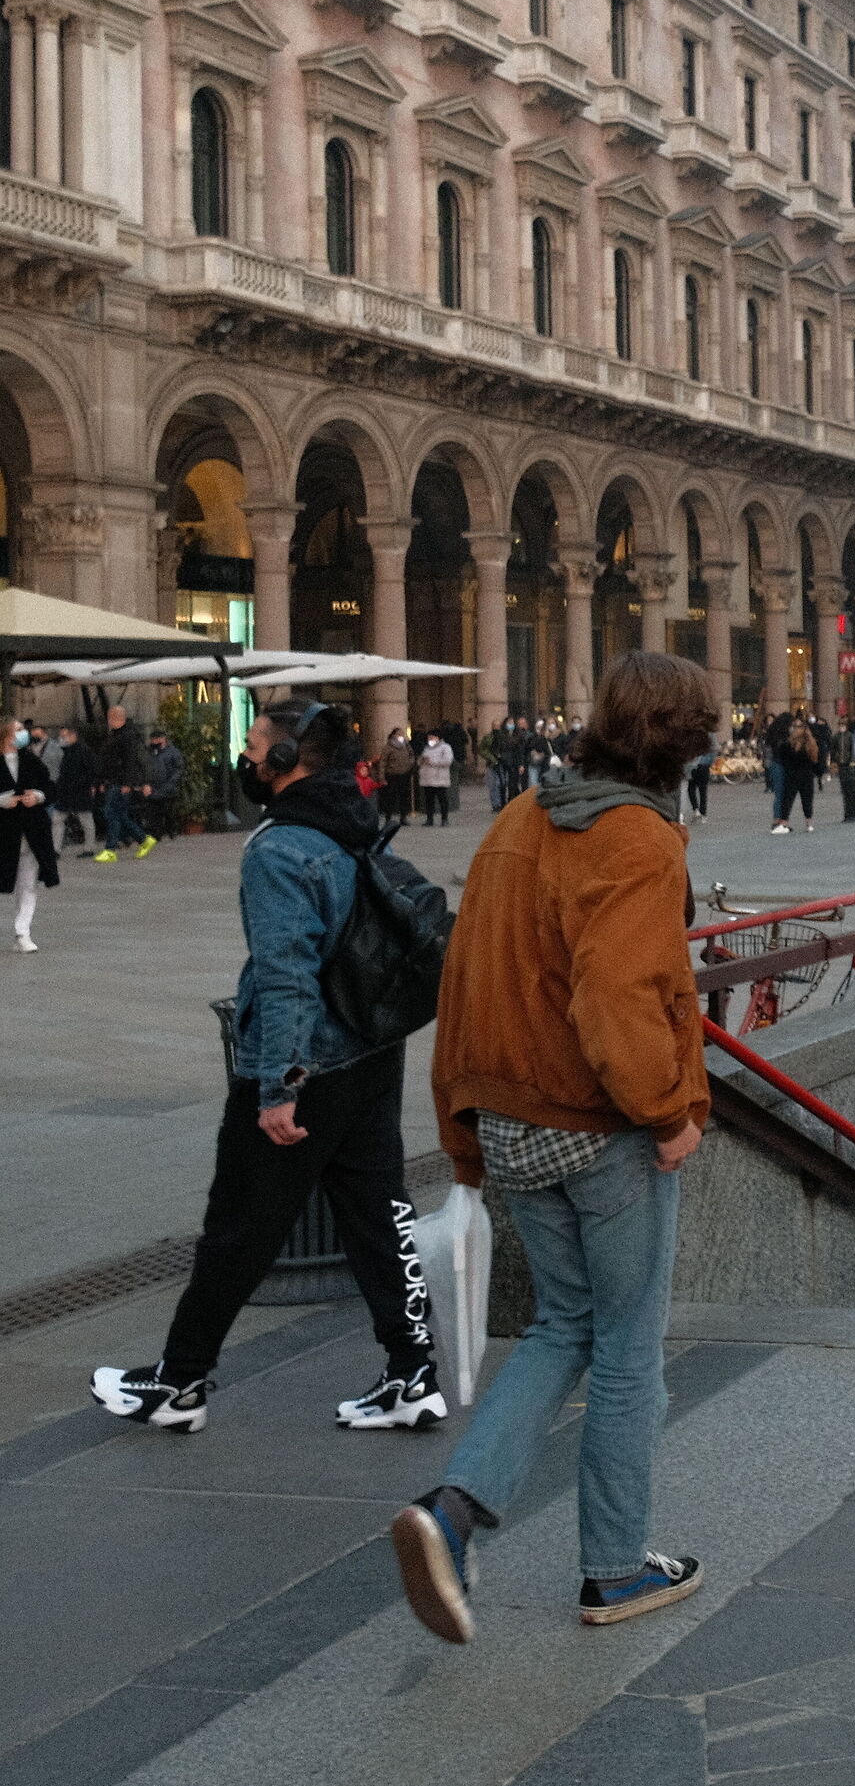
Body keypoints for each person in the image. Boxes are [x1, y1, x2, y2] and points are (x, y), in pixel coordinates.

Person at [390, 651, 711, 1648]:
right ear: (684, 743)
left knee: (563, 1325)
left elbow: (466, 980)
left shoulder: (519, 820)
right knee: (627, 1346)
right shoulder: (639, 837)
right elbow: (617, 1000)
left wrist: (464, 1132)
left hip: (509, 1121)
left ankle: (452, 1514)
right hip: (600, 1126)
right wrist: (670, 1113)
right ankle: (614, 1567)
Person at [92, 700, 441, 1435]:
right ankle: (413, 1373)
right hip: (371, 1049)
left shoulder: (280, 847)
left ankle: (178, 1383)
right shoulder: (351, 819)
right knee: (379, 1215)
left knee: (239, 1227)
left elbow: (287, 976)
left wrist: (278, 1086)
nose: (247, 757)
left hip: (307, 1063)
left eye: (254, 745)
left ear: (285, 761)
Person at [0, 714, 57, 949]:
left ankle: (22, 932)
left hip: (31, 833)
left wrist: (38, 796)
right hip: (5, 834)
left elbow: (50, 787)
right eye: (18, 730)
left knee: (28, 885)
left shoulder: (31, 760)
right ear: (5, 735)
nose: (23, 734)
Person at [92, 704, 154, 862]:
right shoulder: (121, 735)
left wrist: (127, 783)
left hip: (120, 781)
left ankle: (111, 849)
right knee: (117, 813)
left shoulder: (126, 736)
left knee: (112, 813)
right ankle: (142, 839)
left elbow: (129, 761)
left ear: (113, 718)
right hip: (115, 780)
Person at [53, 720, 96, 847]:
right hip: (68, 791)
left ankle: (89, 848)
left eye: (64, 736)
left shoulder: (82, 751)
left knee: (85, 820)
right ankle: (56, 848)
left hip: (79, 790)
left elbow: (90, 771)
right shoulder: (67, 751)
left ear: (73, 735)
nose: (62, 739)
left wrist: (83, 784)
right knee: (58, 819)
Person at [146, 726, 187, 842]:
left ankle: (171, 830)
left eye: (157, 739)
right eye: (153, 739)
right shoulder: (149, 751)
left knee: (168, 812)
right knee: (154, 812)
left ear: (163, 739)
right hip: (154, 787)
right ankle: (156, 834)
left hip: (168, 787)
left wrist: (171, 782)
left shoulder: (172, 752)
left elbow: (178, 769)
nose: (154, 742)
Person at [417, 728, 455, 827]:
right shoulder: (427, 748)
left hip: (439, 778)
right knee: (429, 800)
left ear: (438, 737)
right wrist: (421, 760)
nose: (430, 739)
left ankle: (444, 819)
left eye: (432, 737)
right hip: (427, 778)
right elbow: (420, 761)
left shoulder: (445, 747)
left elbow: (447, 761)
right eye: (428, 738)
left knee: (443, 800)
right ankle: (429, 819)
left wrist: (431, 762)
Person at [379, 728, 417, 826]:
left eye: (402, 734)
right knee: (391, 797)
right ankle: (388, 817)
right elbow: (383, 762)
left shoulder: (406, 745)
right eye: (398, 734)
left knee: (404, 797)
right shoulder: (388, 747)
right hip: (392, 775)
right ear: (393, 735)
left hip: (404, 774)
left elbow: (412, 755)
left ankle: (403, 817)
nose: (401, 736)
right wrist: (382, 777)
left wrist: (410, 763)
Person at [682, 738, 714, 824]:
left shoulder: (693, 737)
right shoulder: (708, 738)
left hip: (693, 766)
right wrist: (710, 762)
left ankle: (696, 809)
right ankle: (703, 814)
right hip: (704, 766)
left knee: (691, 788)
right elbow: (713, 749)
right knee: (703, 790)